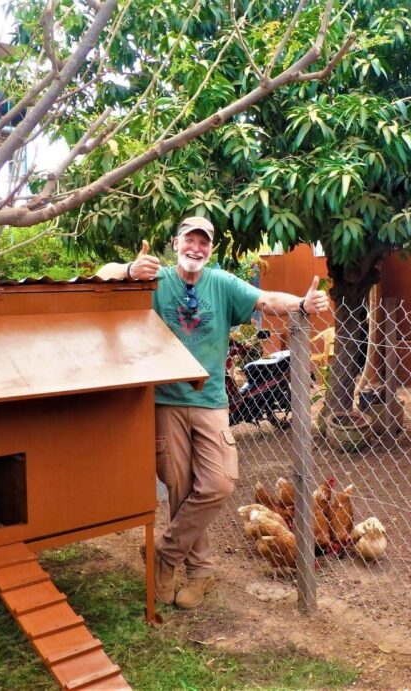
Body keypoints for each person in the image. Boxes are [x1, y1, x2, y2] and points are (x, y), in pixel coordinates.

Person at [96, 216, 329, 609]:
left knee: (220, 482)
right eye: (190, 240)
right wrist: (130, 270)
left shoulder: (220, 283)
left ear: (210, 250)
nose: (196, 248)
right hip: (164, 402)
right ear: (175, 243)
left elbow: (267, 300)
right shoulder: (154, 280)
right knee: (180, 488)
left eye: (204, 243)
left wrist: (303, 304)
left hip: (210, 402)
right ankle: (199, 572)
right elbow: (102, 277)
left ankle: (163, 556)